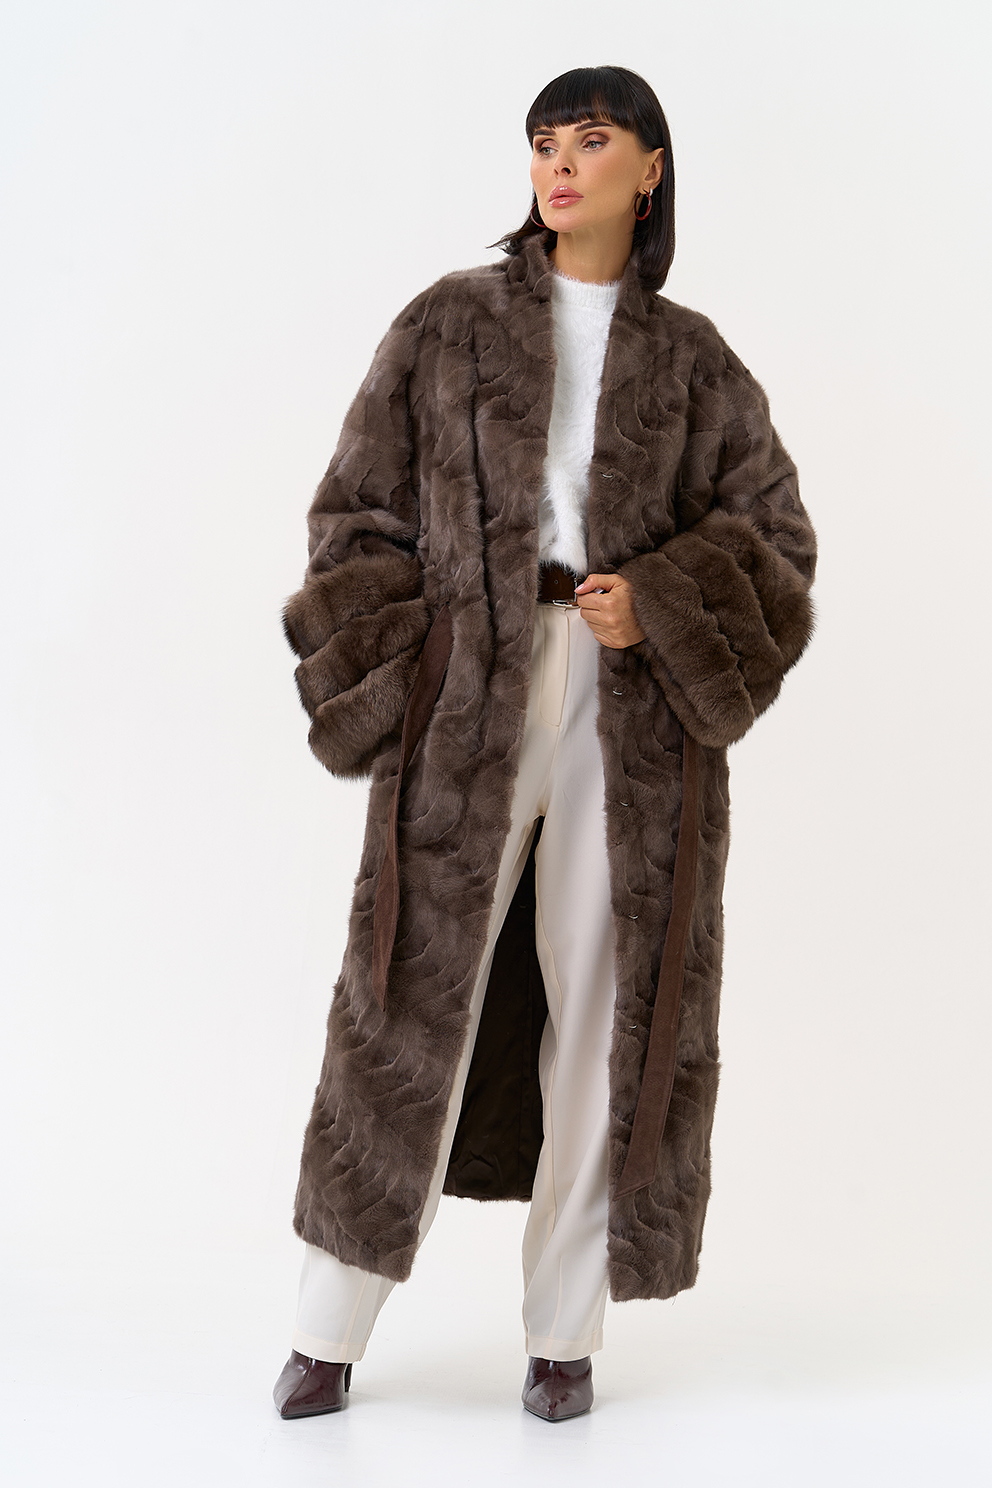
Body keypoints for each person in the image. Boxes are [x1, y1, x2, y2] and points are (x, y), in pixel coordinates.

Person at [273, 64, 817, 1423]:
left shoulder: (695, 361)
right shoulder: (448, 325)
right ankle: (327, 1326)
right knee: (407, 996)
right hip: (470, 697)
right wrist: (417, 671)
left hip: (630, 718)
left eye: (592, 140)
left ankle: (564, 1336)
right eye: (542, 144)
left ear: (650, 168)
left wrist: (663, 602)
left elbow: (778, 544)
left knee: (608, 1009)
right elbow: (354, 517)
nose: (560, 165)